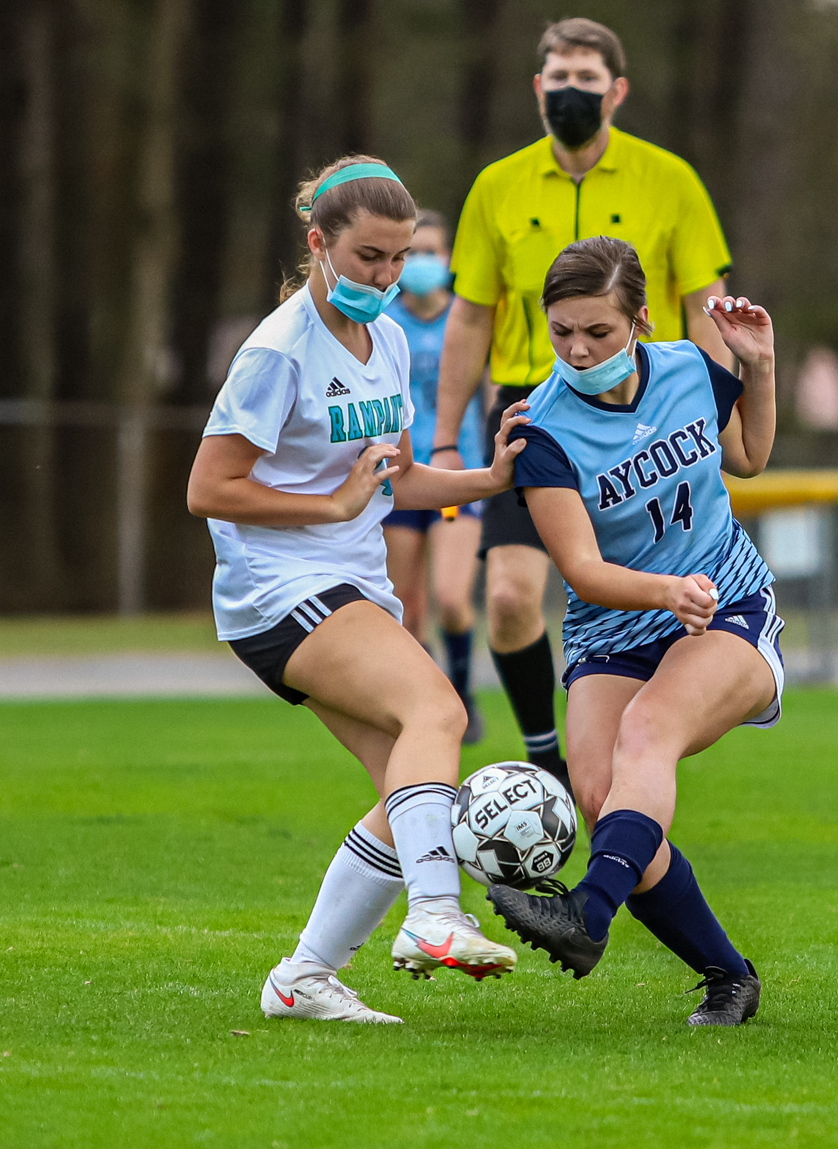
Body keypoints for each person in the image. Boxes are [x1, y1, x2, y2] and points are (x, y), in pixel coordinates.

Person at [186, 156, 531, 1024]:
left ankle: (303, 978)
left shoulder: (389, 339)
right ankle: (434, 918)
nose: (385, 275)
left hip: (350, 585)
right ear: (318, 244)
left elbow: (397, 482)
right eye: (370, 256)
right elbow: (207, 488)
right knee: (442, 714)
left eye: (398, 257)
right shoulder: (276, 350)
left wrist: (488, 478)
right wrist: (333, 502)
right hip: (281, 589)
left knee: (410, 796)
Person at [432, 17, 735, 792]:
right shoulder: (495, 185)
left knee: (647, 600)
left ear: (617, 91)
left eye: (587, 81)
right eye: (558, 79)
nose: (571, 93)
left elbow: (708, 302)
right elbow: (468, 316)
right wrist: (443, 439)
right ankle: (547, 763)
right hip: (533, 415)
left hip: (644, 409)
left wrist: (724, 402)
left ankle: (638, 747)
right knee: (505, 599)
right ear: (538, 88)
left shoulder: (671, 179)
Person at [483, 237, 779, 1027]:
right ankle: (728, 975)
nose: (578, 350)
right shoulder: (540, 429)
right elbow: (580, 570)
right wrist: (661, 589)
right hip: (615, 624)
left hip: (726, 605)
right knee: (602, 796)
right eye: (561, 332)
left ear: (639, 320)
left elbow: (747, 454)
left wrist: (762, 365)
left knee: (648, 733)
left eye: (598, 332)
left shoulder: (686, 366)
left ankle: (587, 914)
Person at [381, 211, 490, 742]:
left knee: (452, 597)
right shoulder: (383, 320)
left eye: (432, 251)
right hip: (400, 481)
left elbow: (491, 395)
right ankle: (422, 709)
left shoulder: (466, 321)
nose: (422, 262)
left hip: (454, 476)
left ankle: (463, 693)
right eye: (412, 252)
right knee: (406, 614)